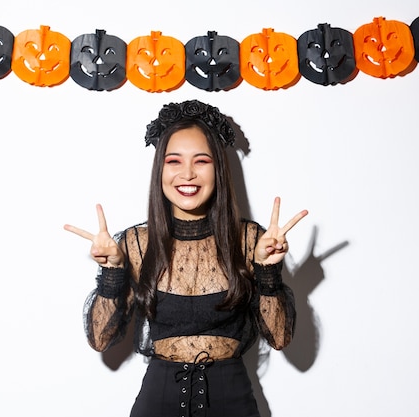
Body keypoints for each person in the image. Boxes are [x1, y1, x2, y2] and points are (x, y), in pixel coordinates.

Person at [64, 99, 308, 417]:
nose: (187, 174)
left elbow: (279, 338)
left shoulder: (250, 240)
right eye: (174, 161)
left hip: (232, 402)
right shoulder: (136, 243)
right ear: (160, 170)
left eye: (201, 161)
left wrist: (268, 271)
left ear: (218, 168)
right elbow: (100, 340)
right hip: (158, 401)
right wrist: (112, 272)